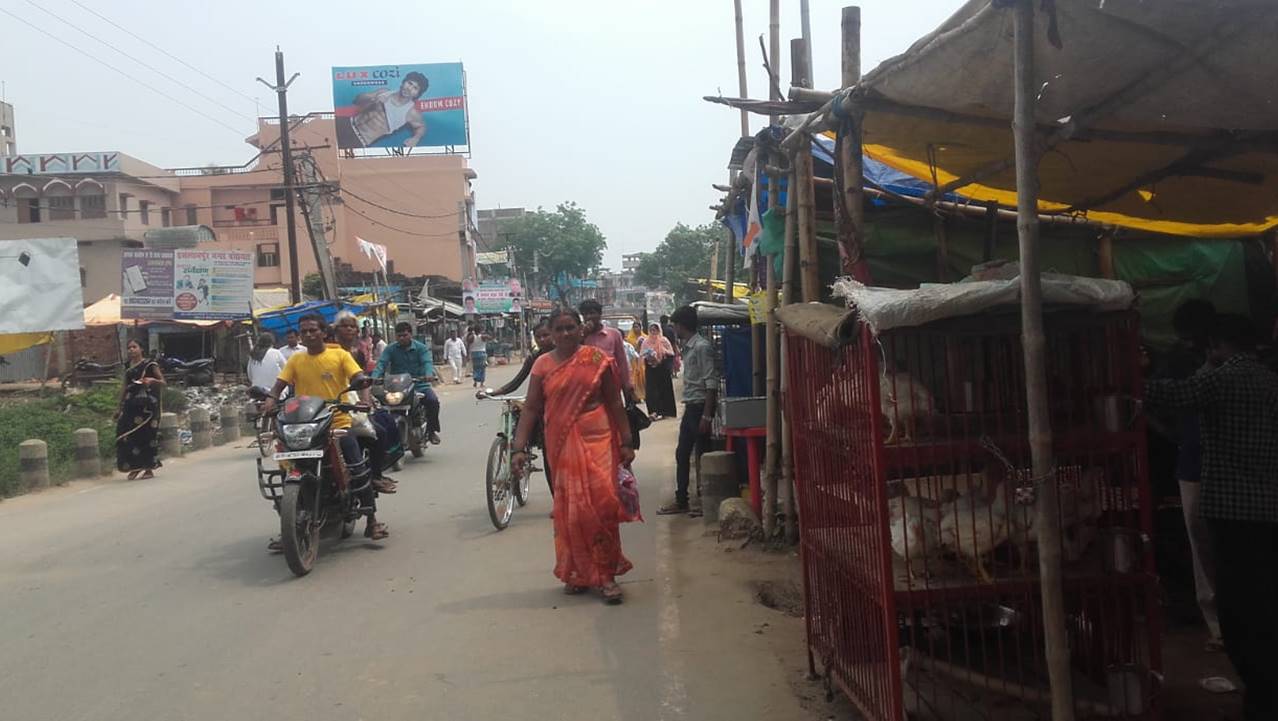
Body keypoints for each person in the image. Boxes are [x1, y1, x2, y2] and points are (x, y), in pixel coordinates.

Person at [1145, 314, 1278, 720]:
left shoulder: (1222, 379)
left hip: (1232, 512)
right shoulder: (1271, 381)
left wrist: (1128, 375)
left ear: (1218, 344)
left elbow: (1172, 395)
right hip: (1269, 509)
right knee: (1266, 597)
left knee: (1238, 607)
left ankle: (1261, 693)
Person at [511, 308, 635, 604]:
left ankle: (606, 575)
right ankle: (577, 572)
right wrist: (518, 448)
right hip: (561, 442)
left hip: (600, 438)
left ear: (581, 329)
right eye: (559, 329)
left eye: (570, 328)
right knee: (572, 509)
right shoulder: (542, 364)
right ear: (550, 334)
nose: (565, 334)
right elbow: (531, 408)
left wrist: (627, 441)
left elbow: (614, 402)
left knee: (603, 504)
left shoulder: (596, 360)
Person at [262, 314, 390, 541]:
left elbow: (359, 377)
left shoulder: (339, 355)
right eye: (304, 331)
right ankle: (289, 528)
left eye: (313, 330)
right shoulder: (296, 360)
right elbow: (279, 385)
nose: (308, 334)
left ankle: (372, 520)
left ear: (323, 332)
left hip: (337, 423)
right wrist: (271, 399)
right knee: (284, 467)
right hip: (304, 425)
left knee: (357, 468)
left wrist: (365, 397)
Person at [1159, 299, 1224, 651]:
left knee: (1215, 544)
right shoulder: (1177, 362)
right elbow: (1155, 400)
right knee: (1205, 544)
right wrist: (1176, 435)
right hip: (1195, 462)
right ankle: (1217, 623)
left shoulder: (1227, 365)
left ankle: (1224, 621)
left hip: (1211, 464)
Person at [658, 306, 718, 515]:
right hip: (691, 406)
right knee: (683, 454)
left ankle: (704, 502)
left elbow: (711, 383)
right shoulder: (688, 347)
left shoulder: (702, 347)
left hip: (700, 407)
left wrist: (707, 415)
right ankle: (682, 499)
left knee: (702, 455)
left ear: (682, 326)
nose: (673, 329)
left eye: (675, 325)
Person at [487, 320, 556, 496]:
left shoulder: (566, 354)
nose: (542, 340)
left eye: (545, 335)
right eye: (538, 337)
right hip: (542, 408)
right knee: (547, 456)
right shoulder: (535, 358)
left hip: (563, 408)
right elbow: (517, 381)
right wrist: (495, 392)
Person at [374, 321, 442, 444]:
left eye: (404, 335)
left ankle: (431, 431)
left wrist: (428, 374)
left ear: (411, 334)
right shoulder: (390, 349)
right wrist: (374, 377)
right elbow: (381, 364)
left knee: (433, 402)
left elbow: (427, 362)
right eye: (399, 335)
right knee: (380, 406)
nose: (402, 338)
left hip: (419, 386)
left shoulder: (421, 348)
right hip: (398, 387)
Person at [336, 72, 429, 149]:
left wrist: (416, 138)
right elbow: (357, 100)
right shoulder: (384, 92)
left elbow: (421, 126)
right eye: (409, 83)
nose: (409, 88)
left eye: (415, 88)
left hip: (358, 140)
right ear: (403, 82)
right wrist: (373, 97)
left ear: (417, 94)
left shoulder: (411, 112)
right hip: (347, 123)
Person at [114, 339, 164, 481]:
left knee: (147, 436)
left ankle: (148, 468)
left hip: (147, 407)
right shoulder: (128, 366)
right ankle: (135, 466)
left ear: (141, 349)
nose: (131, 350)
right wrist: (119, 407)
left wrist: (151, 381)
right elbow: (124, 387)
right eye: (129, 348)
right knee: (125, 435)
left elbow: (163, 382)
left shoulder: (150, 365)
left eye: (134, 347)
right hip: (131, 406)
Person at [578, 299, 634, 404]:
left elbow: (622, 361)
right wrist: (583, 335)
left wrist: (627, 384)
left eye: (592, 313)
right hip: (587, 386)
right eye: (585, 314)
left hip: (611, 384)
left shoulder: (613, 334)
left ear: (599, 314)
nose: (589, 317)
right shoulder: (579, 336)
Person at [642, 321, 678, 420]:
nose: (653, 332)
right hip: (651, 369)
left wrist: (662, 351)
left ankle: (666, 411)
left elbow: (671, 352)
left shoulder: (664, 340)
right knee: (651, 390)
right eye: (651, 330)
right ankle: (653, 412)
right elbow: (642, 354)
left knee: (664, 389)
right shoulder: (646, 341)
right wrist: (650, 356)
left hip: (662, 368)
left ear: (659, 330)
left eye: (655, 330)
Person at [626, 318, 648, 403]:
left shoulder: (645, 337)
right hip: (634, 362)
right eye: (634, 327)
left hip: (643, 360)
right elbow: (631, 351)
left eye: (637, 327)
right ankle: (637, 397)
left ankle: (645, 395)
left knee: (644, 378)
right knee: (635, 379)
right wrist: (637, 344)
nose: (636, 329)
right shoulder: (629, 339)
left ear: (640, 327)